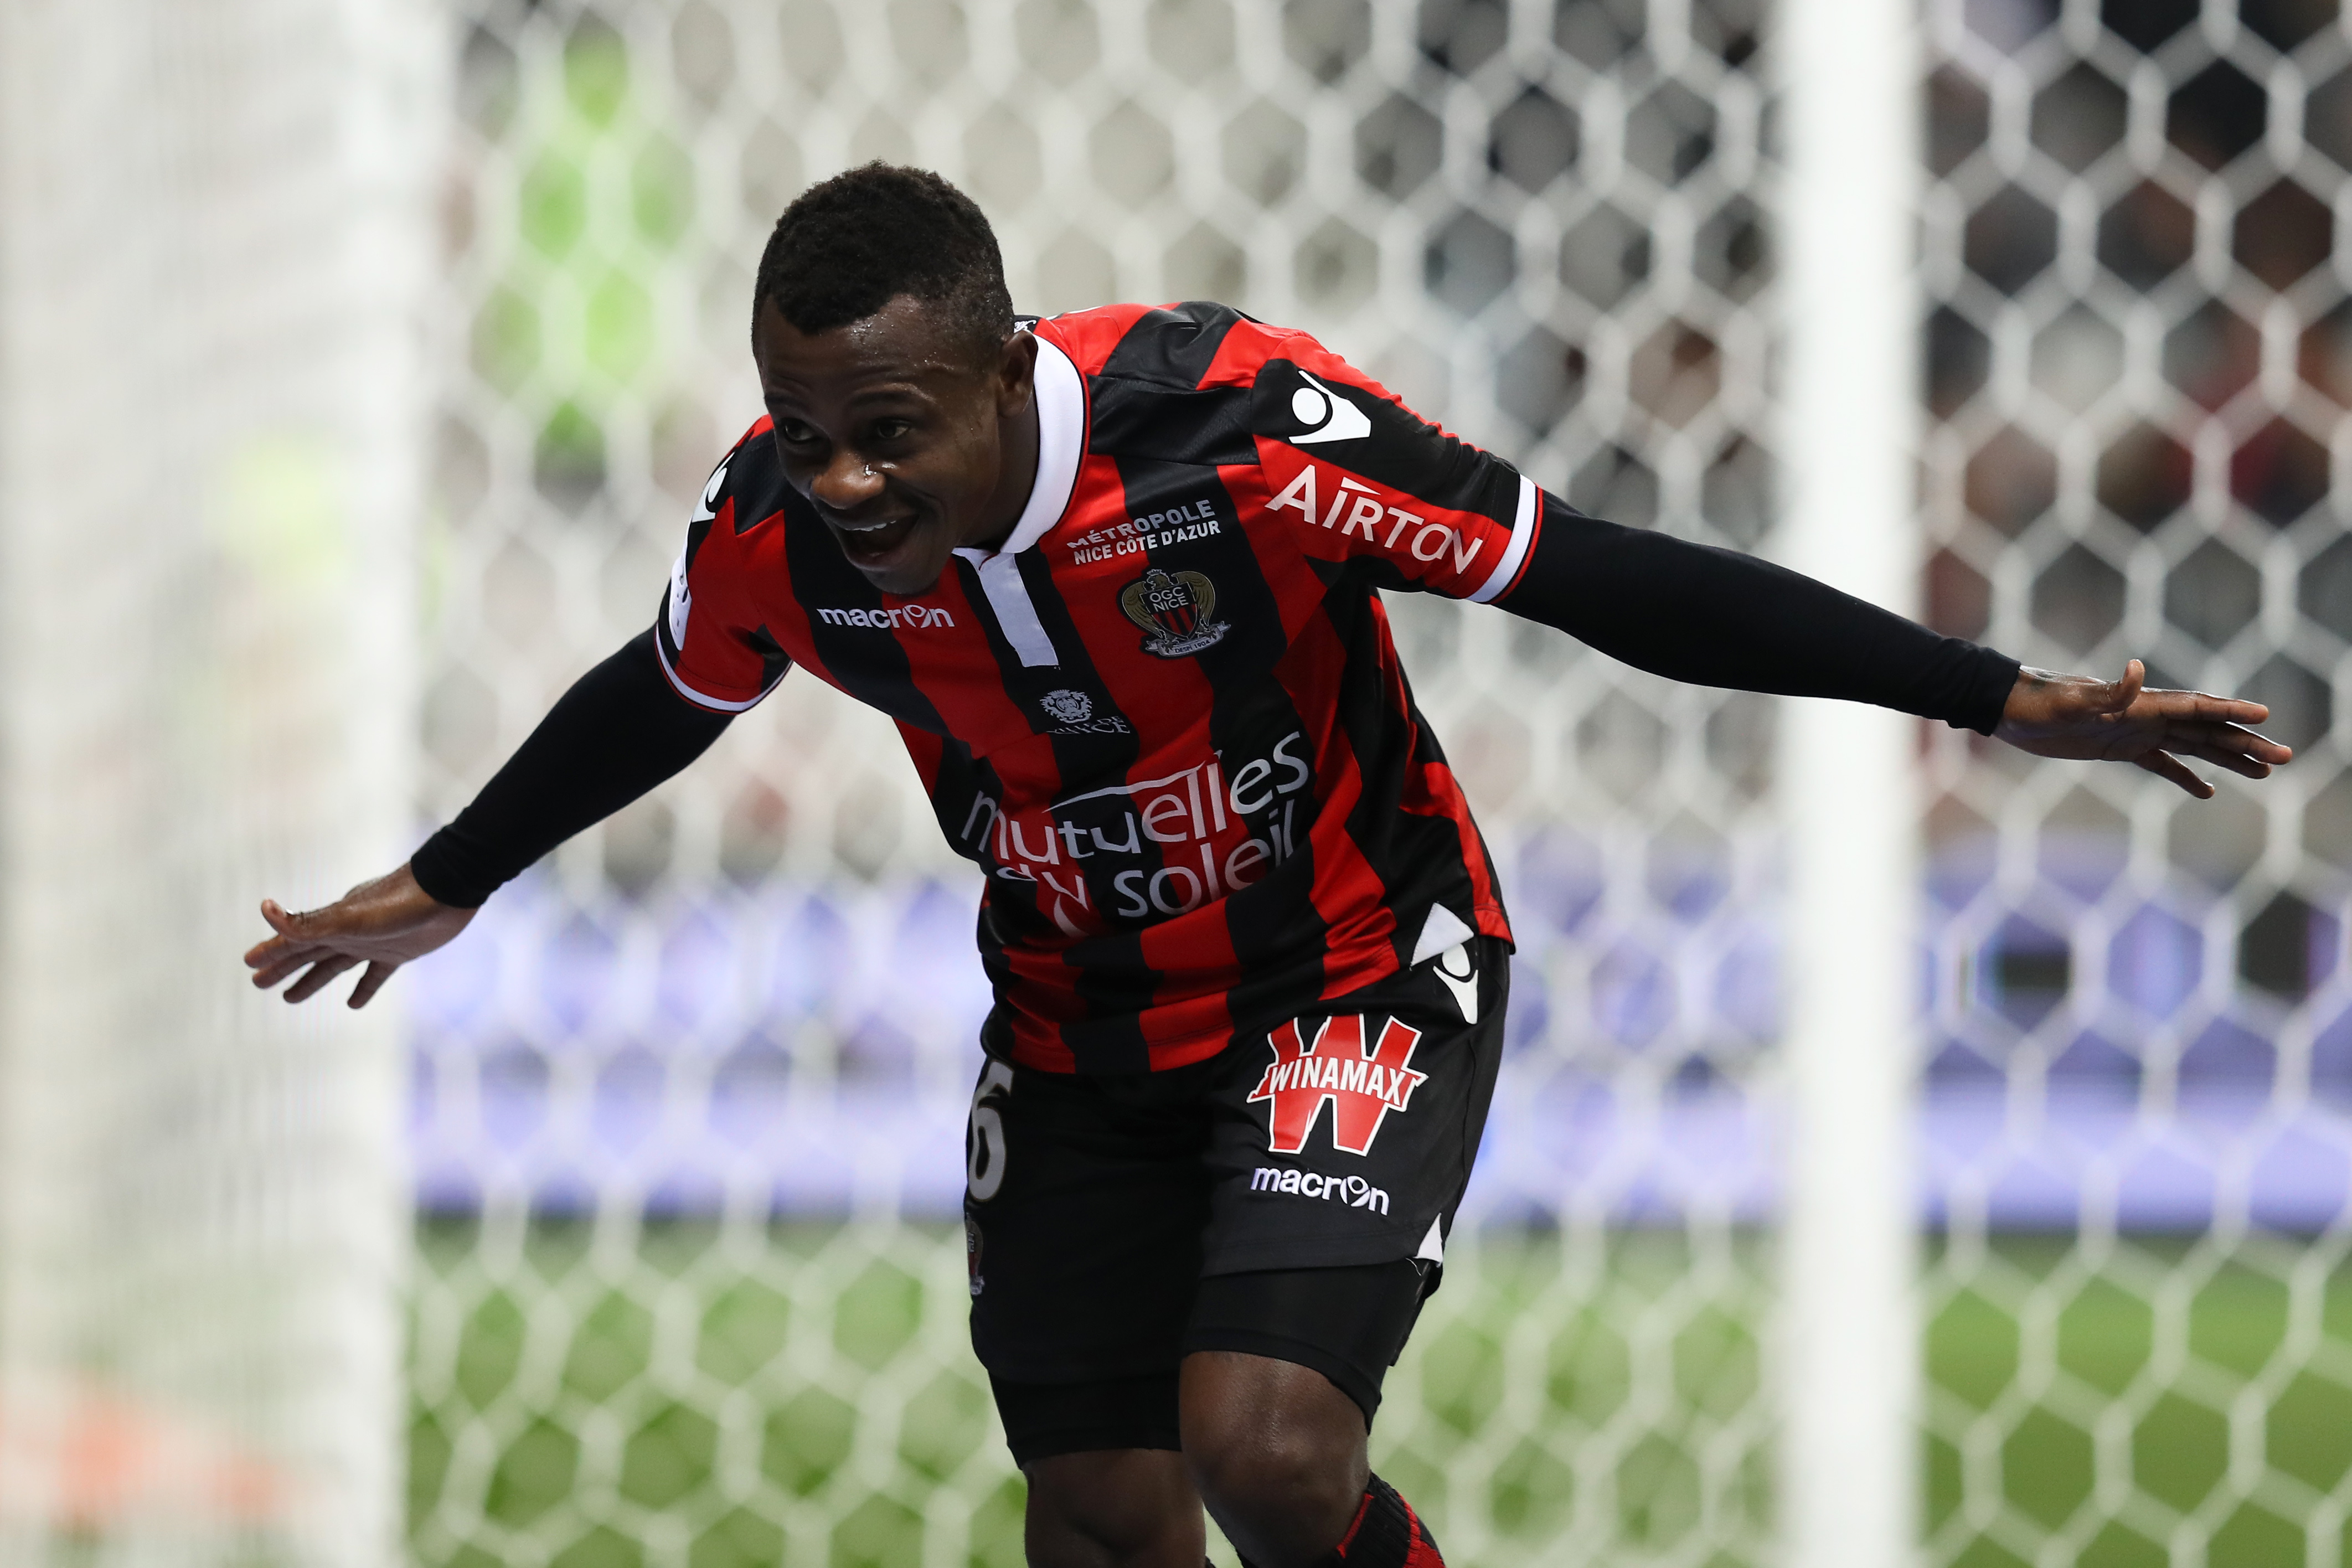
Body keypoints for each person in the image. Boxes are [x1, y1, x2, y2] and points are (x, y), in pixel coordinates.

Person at [246, 164, 2288, 1568]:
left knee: (1268, 1449)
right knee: (1106, 1520)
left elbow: (1596, 583)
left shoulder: (1235, 429)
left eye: (887, 427)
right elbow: (668, 691)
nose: (844, 479)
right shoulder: (772, 537)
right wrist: (458, 874)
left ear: (998, 365)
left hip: (1357, 971)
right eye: (804, 430)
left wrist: (1989, 693)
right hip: (1073, 1037)